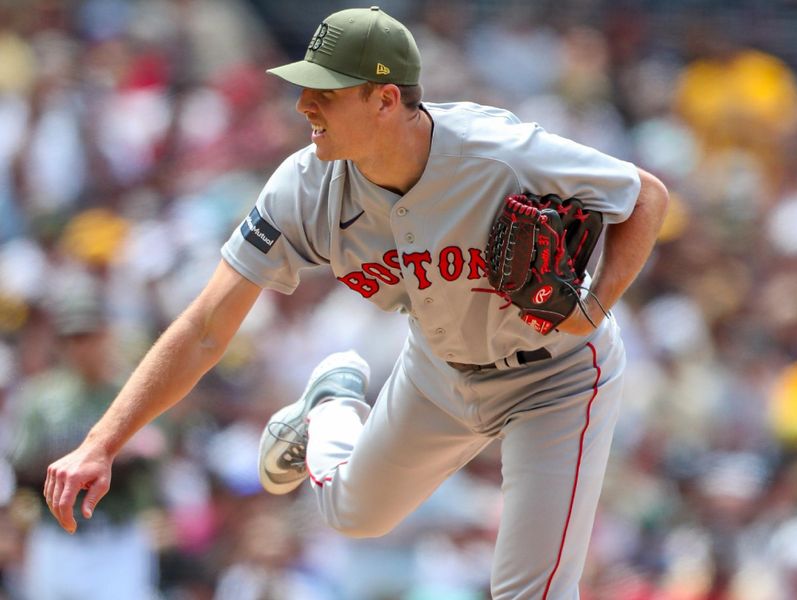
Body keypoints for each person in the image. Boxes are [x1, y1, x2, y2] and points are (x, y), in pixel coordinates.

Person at [44, 7, 669, 598]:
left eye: (326, 92)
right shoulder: (304, 188)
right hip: (442, 369)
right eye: (304, 88)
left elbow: (645, 197)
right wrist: (102, 441)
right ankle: (332, 405)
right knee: (350, 514)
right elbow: (208, 326)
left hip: (556, 378)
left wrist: (593, 309)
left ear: (385, 99)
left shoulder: (496, 151)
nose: (303, 105)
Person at [12, 285, 161, 599]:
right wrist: (93, 463)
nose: (81, 346)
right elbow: (22, 470)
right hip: (58, 539)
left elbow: (152, 458)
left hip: (117, 538)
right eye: (72, 338)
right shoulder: (41, 397)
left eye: (89, 335)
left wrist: (77, 464)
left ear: (107, 334)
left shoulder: (132, 393)